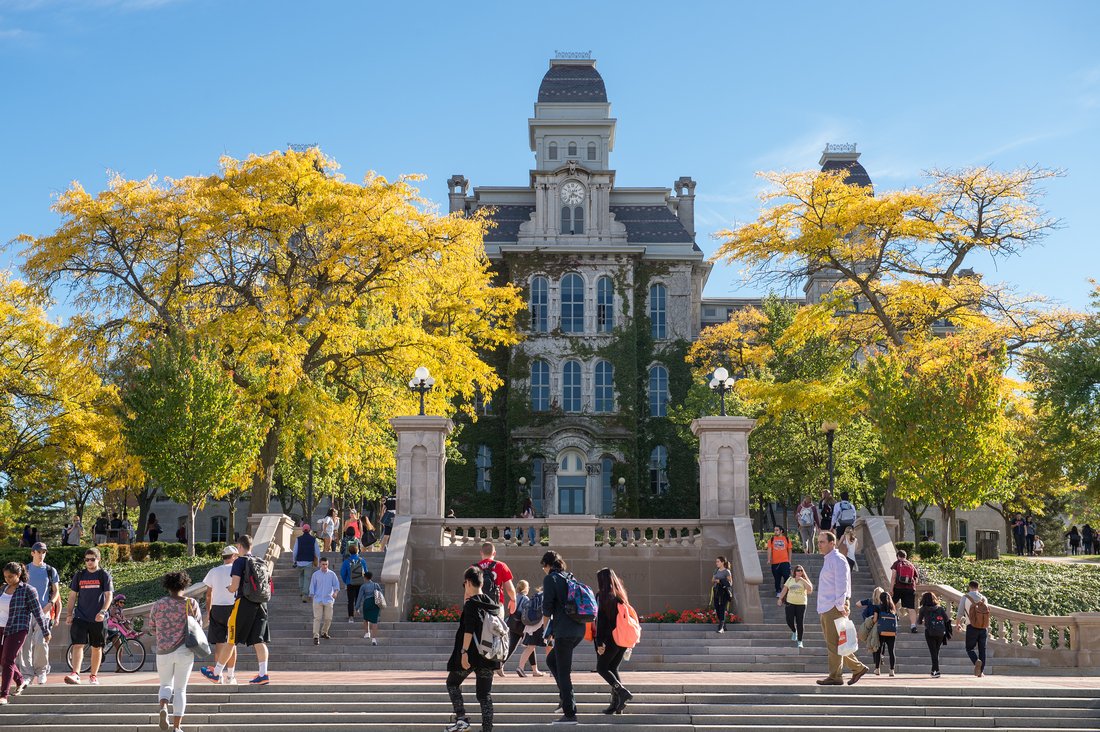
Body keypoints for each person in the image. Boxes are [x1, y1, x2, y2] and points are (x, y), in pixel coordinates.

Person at [445, 566, 502, 732]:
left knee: (452, 683)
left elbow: (468, 630)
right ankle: (487, 729)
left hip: (471, 655)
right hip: (489, 655)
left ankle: (461, 719)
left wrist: (463, 653)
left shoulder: (471, 605)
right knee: (484, 695)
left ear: (468, 582)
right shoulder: (493, 605)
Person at [148, 570, 200, 731]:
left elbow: (152, 628)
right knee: (180, 689)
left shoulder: (159, 604)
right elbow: (197, 625)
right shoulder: (190, 603)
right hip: (185, 649)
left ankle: (163, 706)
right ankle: (177, 727)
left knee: (165, 684)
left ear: (167, 586)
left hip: (163, 650)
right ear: (185, 585)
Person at [815, 531, 869, 686]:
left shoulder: (838, 559)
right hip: (828, 606)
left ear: (832, 543)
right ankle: (856, 669)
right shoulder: (830, 559)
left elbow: (842, 584)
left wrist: (840, 605)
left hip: (834, 605)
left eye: (822, 542)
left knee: (834, 644)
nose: (819, 544)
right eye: (818, 542)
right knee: (838, 643)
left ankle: (836, 676)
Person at [541, 551, 585, 723]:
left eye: (543, 566)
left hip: (564, 632)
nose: (543, 570)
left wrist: (546, 632)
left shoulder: (550, 579)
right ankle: (565, 698)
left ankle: (570, 713)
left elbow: (547, 608)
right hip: (578, 629)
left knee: (564, 672)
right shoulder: (569, 577)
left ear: (547, 564)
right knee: (552, 661)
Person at [0, 562, 51, 705]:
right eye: (5, 577)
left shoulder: (28, 590)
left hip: (17, 628)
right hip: (1, 627)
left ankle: (3, 695)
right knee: (2, 659)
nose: (8, 579)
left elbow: (38, 612)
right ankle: (20, 680)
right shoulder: (3, 588)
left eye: (11, 577)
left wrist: (45, 631)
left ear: (19, 575)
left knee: (8, 660)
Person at [64, 547, 113, 685]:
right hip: (80, 616)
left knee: (97, 647)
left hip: (98, 617)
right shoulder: (79, 575)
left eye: (92, 559)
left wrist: (103, 612)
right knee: (77, 644)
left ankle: (93, 675)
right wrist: (69, 614)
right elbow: (73, 596)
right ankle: (75, 674)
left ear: (98, 559)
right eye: (87, 560)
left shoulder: (104, 575)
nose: (89, 562)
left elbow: (109, 596)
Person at [227, 534, 271, 685]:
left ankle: (217, 671)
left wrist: (229, 588)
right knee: (259, 640)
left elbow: (234, 586)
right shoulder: (260, 561)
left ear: (239, 546)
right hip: (261, 602)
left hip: (245, 602)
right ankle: (263, 674)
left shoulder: (239, 561)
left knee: (231, 638)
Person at [593, 567, 633, 715]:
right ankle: (616, 704)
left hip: (610, 638)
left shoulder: (602, 596)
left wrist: (600, 642)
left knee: (602, 668)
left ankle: (621, 692)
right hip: (622, 638)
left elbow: (601, 621)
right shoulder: (620, 595)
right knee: (613, 667)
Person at [19, 542, 59, 686]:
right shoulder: (26, 569)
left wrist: (51, 603)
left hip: (44, 612)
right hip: (25, 612)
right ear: (32, 553)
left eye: (43, 552)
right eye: (38, 551)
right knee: (25, 644)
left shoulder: (50, 570)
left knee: (40, 642)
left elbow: (56, 591)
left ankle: (41, 671)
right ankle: (26, 674)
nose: (41, 554)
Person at [199, 546, 240, 684]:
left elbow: (208, 594)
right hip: (233, 609)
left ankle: (219, 675)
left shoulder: (213, 571)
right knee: (232, 643)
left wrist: (209, 611)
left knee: (219, 643)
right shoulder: (237, 570)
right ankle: (231, 676)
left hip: (217, 608)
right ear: (234, 556)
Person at [956, 580, 989, 677]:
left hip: (971, 626)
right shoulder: (984, 598)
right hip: (983, 627)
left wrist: (958, 624)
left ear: (969, 587)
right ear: (978, 587)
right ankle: (981, 672)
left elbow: (960, 613)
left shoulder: (965, 598)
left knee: (969, 648)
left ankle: (976, 661)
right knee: (982, 649)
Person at [511, 580, 543, 677]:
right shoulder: (542, 597)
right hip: (535, 626)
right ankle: (520, 667)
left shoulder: (537, 596)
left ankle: (535, 670)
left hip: (529, 626)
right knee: (530, 647)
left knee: (531, 647)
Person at [778, 564, 813, 648]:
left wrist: (802, 579)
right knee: (789, 620)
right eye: (798, 570)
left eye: (801, 570)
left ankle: (800, 641)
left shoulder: (804, 580)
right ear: (795, 571)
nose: (800, 572)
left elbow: (810, 589)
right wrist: (780, 598)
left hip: (801, 604)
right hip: (790, 603)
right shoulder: (790, 579)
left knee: (800, 622)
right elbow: (784, 589)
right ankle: (794, 631)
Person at [918, 591, 951, 677]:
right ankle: (934, 670)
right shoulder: (940, 608)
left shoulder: (923, 609)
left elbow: (919, 622)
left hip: (929, 632)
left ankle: (937, 671)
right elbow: (947, 619)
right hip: (940, 632)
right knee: (936, 651)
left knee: (933, 652)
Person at [309, 557, 340, 645]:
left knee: (328, 618)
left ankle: (324, 632)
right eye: (323, 564)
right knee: (317, 618)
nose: (325, 566)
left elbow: (336, 585)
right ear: (320, 564)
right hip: (318, 599)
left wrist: (336, 593)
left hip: (328, 599)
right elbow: (312, 586)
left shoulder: (332, 574)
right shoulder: (315, 574)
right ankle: (316, 636)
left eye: (326, 564)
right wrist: (312, 596)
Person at [889, 549, 919, 633]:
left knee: (892, 605)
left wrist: (891, 589)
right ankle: (913, 626)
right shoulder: (911, 564)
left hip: (898, 587)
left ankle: (894, 621)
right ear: (906, 556)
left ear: (898, 556)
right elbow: (916, 578)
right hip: (910, 589)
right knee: (911, 608)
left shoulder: (897, 563)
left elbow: (893, 577)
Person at [871, 591, 898, 677]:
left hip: (881, 632)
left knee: (878, 650)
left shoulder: (878, 607)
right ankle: (892, 670)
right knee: (891, 651)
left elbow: (875, 620)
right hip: (891, 632)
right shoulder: (893, 609)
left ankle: (877, 669)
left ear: (880, 599)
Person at [290, 523, 319, 603]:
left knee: (301, 576)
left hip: (299, 561)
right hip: (309, 561)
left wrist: (294, 560)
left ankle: (301, 591)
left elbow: (294, 551)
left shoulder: (298, 539)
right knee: (307, 578)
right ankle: (305, 595)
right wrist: (318, 561)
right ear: (309, 530)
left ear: (302, 530)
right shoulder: (313, 539)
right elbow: (317, 552)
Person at [340, 543, 369, 623]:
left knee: (350, 600)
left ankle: (351, 617)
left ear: (349, 552)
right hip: (360, 582)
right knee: (358, 598)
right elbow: (366, 571)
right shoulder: (362, 560)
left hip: (350, 583)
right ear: (358, 551)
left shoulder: (346, 562)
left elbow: (342, 573)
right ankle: (357, 609)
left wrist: (346, 581)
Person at [355, 571, 383, 644]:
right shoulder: (376, 585)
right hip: (375, 604)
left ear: (365, 577)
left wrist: (356, 608)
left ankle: (367, 633)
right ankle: (374, 639)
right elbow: (381, 594)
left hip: (367, 603)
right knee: (374, 621)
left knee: (366, 619)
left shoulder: (363, 586)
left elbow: (359, 598)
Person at [767, 527, 792, 597]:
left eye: (777, 530)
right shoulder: (771, 540)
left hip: (785, 562)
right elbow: (769, 550)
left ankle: (785, 590)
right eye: (774, 530)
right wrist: (769, 559)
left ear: (781, 531)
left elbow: (789, 550)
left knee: (787, 577)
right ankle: (778, 591)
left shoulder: (786, 539)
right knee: (777, 579)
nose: (775, 531)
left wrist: (789, 560)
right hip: (775, 563)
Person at [711, 556, 733, 634]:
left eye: (718, 561)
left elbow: (730, 583)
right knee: (717, 608)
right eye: (716, 561)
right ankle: (724, 625)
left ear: (722, 562)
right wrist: (716, 580)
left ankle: (721, 627)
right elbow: (712, 580)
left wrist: (720, 580)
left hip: (724, 592)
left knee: (722, 608)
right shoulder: (716, 570)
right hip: (716, 591)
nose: (716, 563)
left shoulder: (727, 571)